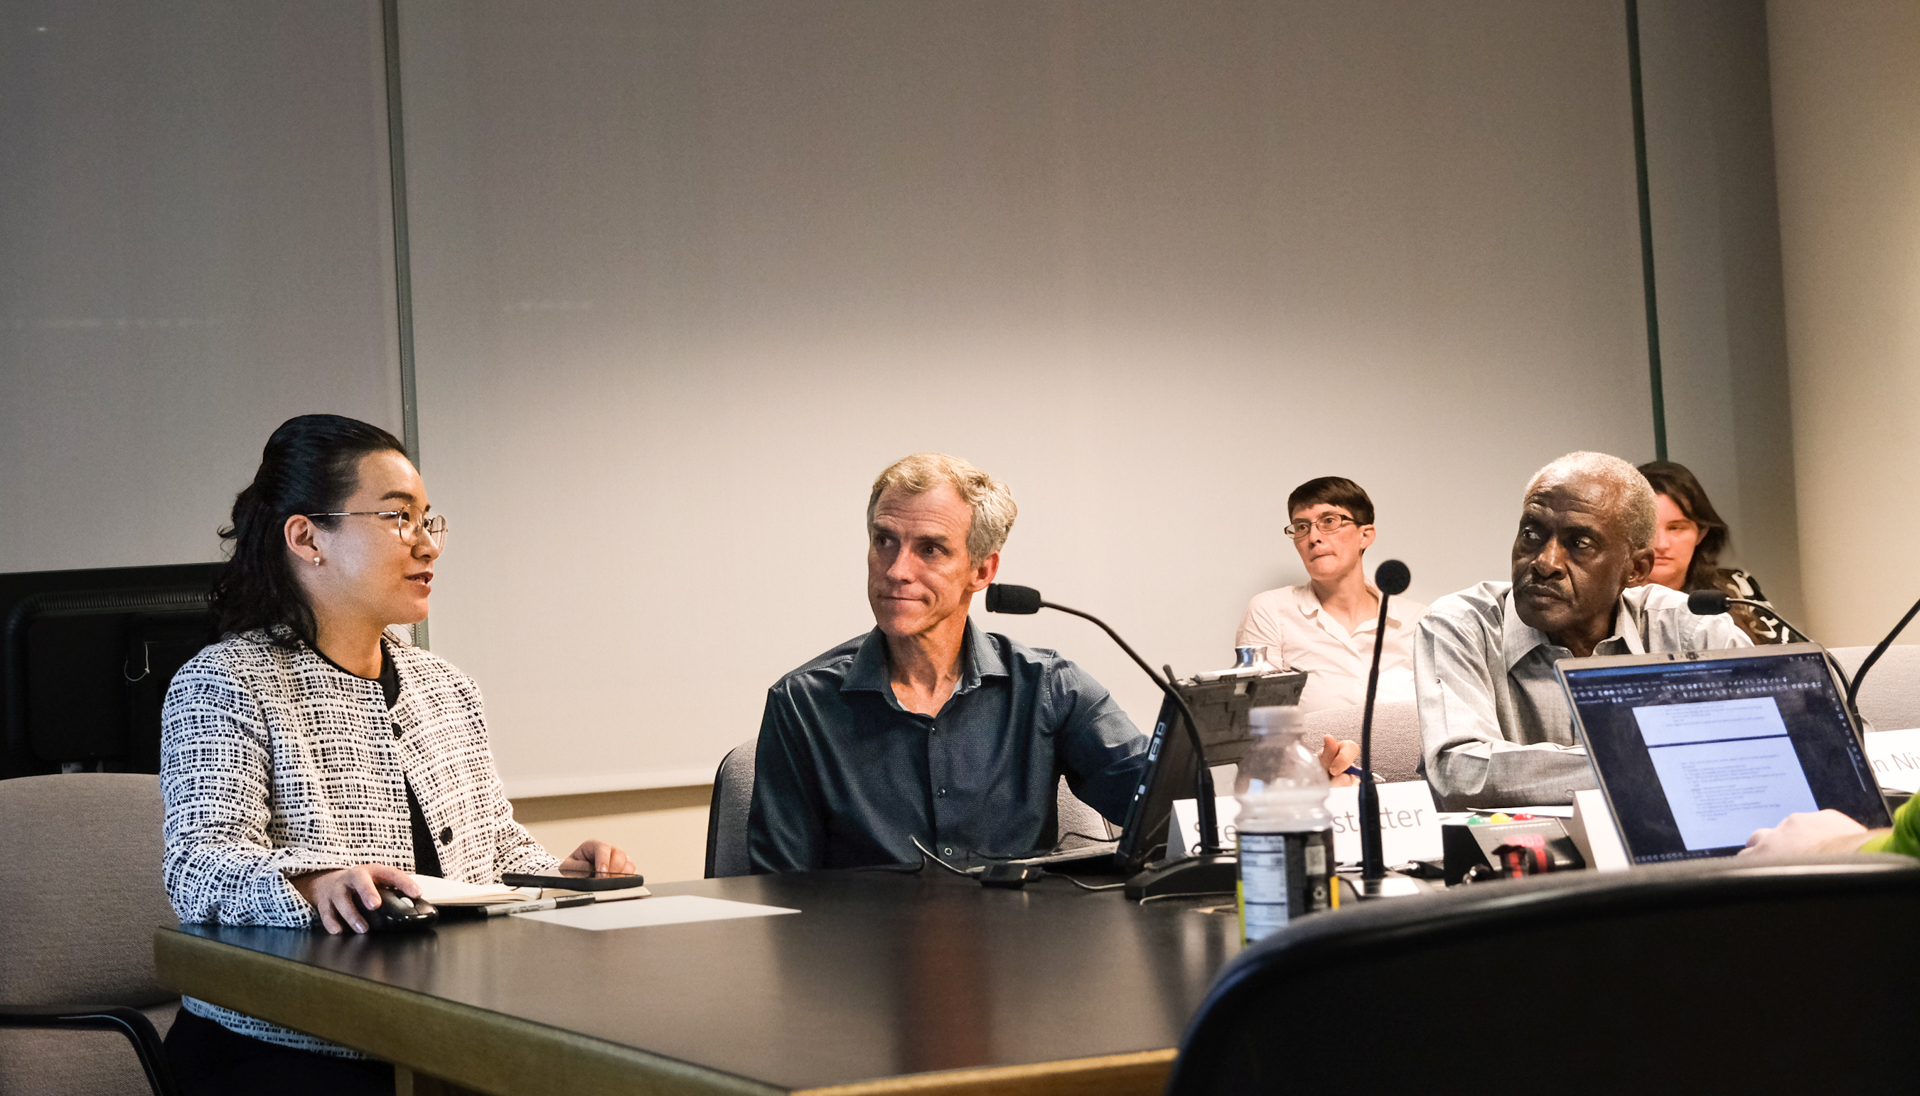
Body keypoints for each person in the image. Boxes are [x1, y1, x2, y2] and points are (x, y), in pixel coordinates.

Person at [160, 414, 633, 1095]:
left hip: (449, 1027)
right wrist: (315, 883)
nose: (427, 546)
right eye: (398, 518)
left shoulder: (447, 687)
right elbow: (200, 868)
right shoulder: (227, 682)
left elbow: (492, 851)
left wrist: (562, 874)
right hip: (291, 1041)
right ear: (307, 537)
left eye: (428, 521)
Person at [748, 453, 1357, 874]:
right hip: (862, 982)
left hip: (1017, 968)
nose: (897, 569)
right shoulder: (803, 704)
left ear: (984, 571)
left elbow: (1158, 818)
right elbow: (779, 892)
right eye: (885, 540)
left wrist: (1296, 801)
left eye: (930, 548)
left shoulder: (1046, 686)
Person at [1414, 452, 1752, 810]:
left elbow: (1774, 742)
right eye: (1531, 534)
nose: (1545, 563)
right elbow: (1461, 771)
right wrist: (1661, 764)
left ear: (1635, 569)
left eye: (1580, 543)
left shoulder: (1688, 628)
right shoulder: (1462, 625)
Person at [1235, 476, 1429, 714]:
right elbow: (1258, 723)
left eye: (1329, 521)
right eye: (1302, 527)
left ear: (1365, 535)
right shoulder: (1271, 610)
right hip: (1308, 752)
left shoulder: (1419, 620)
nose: (1313, 537)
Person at [1637, 460, 1781, 643]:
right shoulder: (1605, 604)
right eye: (1647, 529)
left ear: (1701, 533)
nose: (1661, 544)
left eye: (1676, 528)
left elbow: (1792, 661)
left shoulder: (1735, 588)